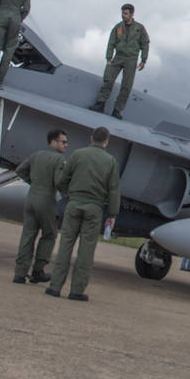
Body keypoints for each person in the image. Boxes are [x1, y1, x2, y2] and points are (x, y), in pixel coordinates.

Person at [45, 126, 120, 302]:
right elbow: (114, 190)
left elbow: (62, 179)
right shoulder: (110, 161)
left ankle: (55, 287)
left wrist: (68, 194)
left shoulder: (78, 154)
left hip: (74, 204)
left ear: (91, 138)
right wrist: (113, 214)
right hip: (94, 209)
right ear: (106, 141)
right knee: (86, 250)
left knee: (65, 245)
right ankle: (76, 291)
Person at [12, 128, 68, 284]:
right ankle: (38, 271)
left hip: (31, 198)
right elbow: (59, 181)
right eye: (63, 142)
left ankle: (19, 273)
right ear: (54, 142)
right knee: (50, 234)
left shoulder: (36, 155)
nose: (66, 145)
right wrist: (68, 195)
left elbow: (20, 170)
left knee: (27, 235)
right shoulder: (59, 160)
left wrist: (34, 182)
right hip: (46, 201)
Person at [90, 4, 150, 119]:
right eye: (122, 13)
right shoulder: (117, 27)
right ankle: (100, 104)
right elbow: (111, 43)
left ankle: (117, 110)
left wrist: (143, 60)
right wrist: (108, 58)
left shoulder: (139, 28)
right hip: (118, 57)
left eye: (126, 13)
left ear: (132, 14)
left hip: (131, 60)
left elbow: (145, 44)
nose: (123, 16)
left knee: (126, 86)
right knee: (108, 80)